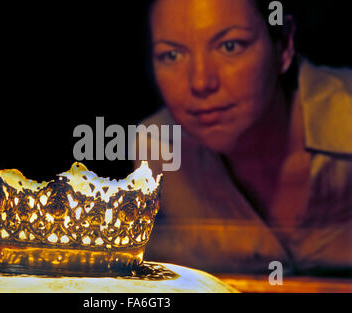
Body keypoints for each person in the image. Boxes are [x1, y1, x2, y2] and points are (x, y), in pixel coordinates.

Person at [135, 0, 352, 276]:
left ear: (283, 46)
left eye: (230, 46)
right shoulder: (158, 150)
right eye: (172, 55)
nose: (201, 83)